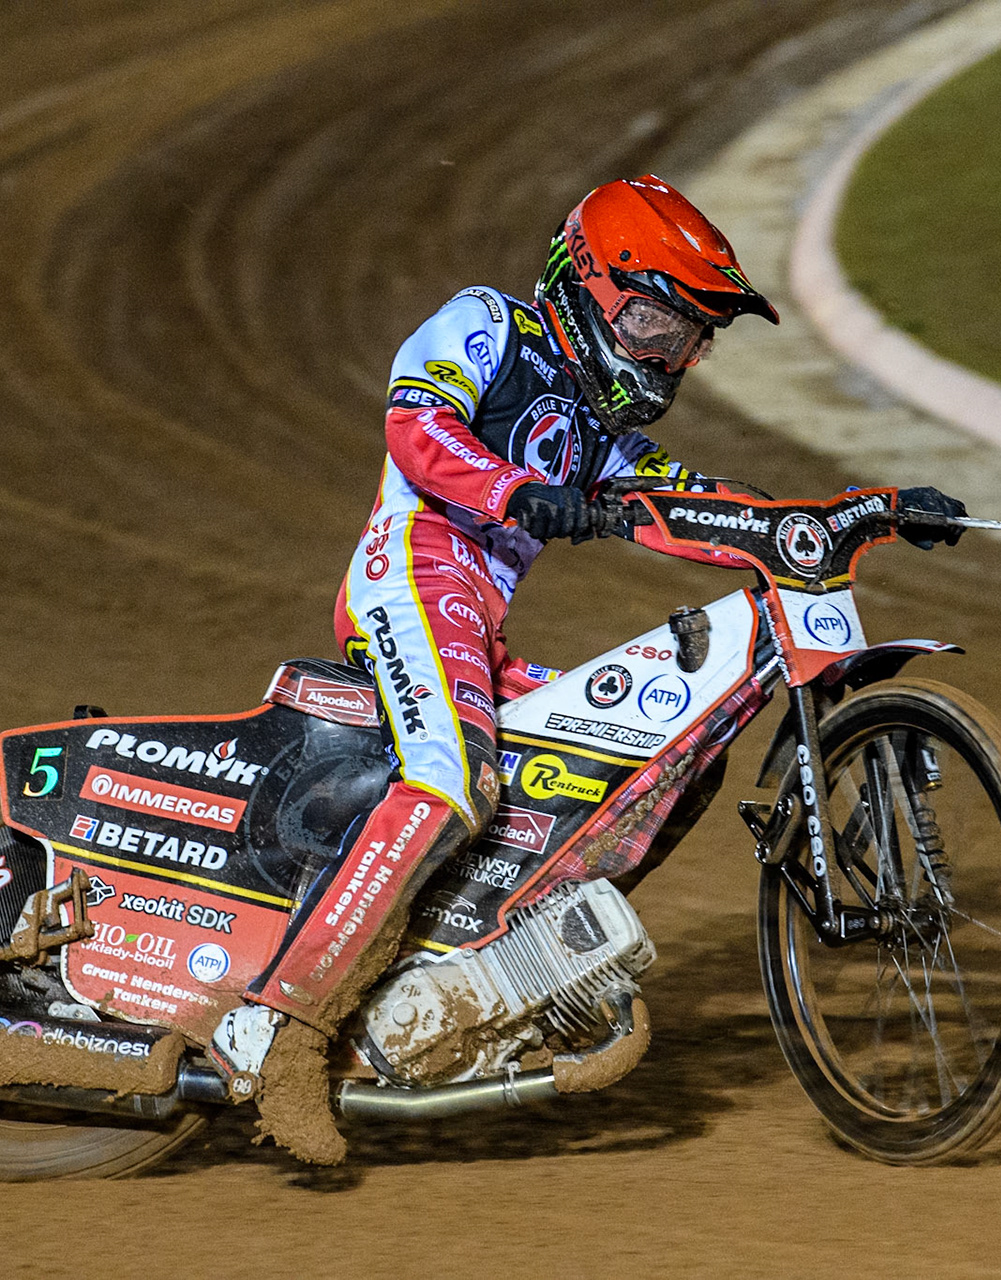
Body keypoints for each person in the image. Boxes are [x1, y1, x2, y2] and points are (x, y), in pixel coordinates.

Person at [209, 174, 957, 1164]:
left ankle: (500, 965)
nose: (665, 356)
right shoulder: (487, 324)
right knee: (452, 775)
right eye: (651, 322)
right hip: (414, 570)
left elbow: (706, 506)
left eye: (686, 338)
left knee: (663, 755)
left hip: (481, 620)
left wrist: (862, 510)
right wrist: (518, 491)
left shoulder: (603, 436)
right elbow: (414, 430)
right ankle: (284, 1030)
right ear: (582, 285)